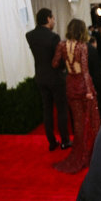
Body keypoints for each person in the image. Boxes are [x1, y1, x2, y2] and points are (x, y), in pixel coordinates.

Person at [51, 19, 100, 174]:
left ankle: (79, 151)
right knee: (92, 121)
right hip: (83, 85)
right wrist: (89, 91)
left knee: (78, 122)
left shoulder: (61, 45)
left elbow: (54, 64)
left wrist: (66, 65)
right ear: (82, 30)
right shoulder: (82, 47)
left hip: (70, 84)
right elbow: (85, 71)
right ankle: (89, 154)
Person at [26, 8, 71, 151]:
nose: (54, 21)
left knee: (47, 110)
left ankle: (51, 142)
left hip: (40, 77)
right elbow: (58, 60)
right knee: (62, 110)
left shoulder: (30, 36)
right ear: (47, 19)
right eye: (53, 18)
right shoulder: (53, 37)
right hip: (56, 78)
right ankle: (64, 141)